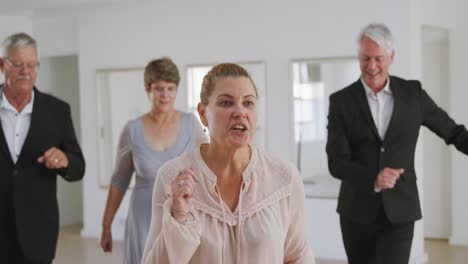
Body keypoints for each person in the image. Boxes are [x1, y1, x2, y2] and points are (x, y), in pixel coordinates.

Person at [142, 63, 315, 264]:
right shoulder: (172, 176)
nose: (240, 112)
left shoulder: (285, 177)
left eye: (248, 103)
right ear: (203, 113)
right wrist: (179, 217)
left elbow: (299, 257)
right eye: (226, 103)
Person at [326, 23, 468, 264]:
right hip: (356, 212)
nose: (371, 66)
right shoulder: (341, 101)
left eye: (379, 58)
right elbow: (336, 163)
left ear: (392, 56)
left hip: (401, 209)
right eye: (365, 58)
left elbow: (452, 132)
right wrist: (374, 178)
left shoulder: (413, 94)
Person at [100, 57, 206, 264]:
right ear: (148, 88)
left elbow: (208, 168)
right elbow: (119, 181)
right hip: (142, 219)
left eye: (170, 88)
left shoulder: (191, 124)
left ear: (176, 89)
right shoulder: (132, 130)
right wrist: (106, 227)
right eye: (159, 88)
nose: (165, 95)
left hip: (182, 216)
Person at [0, 32, 85, 263]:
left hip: (38, 233)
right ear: (2, 65)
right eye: (17, 65)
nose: (26, 72)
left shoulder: (57, 111)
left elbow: (78, 166)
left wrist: (65, 160)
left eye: (32, 64)